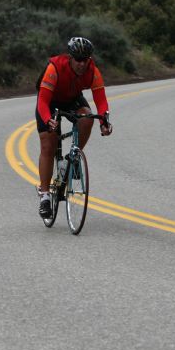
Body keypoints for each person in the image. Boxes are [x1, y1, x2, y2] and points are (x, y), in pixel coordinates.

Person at [35, 36, 112, 218]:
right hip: (50, 101)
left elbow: (101, 100)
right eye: (77, 59)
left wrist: (104, 122)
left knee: (87, 117)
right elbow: (43, 101)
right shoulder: (55, 68)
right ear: (70, 58)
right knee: (48, 145)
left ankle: (74, 156)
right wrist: (48, 120)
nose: (81, 64)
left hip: (71, 99)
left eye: (85, 59)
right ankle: (45, 195)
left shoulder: (92, 71)